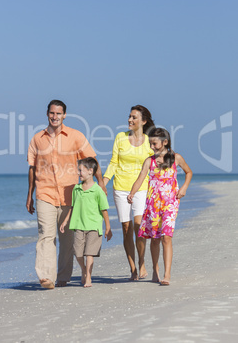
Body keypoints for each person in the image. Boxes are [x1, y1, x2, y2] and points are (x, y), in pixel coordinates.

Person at [26, 100, 106, 289]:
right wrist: (29, 194)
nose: (55, 117)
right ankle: (47, 277)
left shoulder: (75, 136)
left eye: (58, 114)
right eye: (52, 113)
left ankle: (63, 276)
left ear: (64, 116)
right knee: (45, 235)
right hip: (44, 193)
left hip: (71, 195)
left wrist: (100, 184)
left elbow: (92, 161)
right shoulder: (37, 138)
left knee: (67, 238)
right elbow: (32, 168)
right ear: (47, 114)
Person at [127, 127, 192, 286]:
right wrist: (132, 193)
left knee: (166, 237)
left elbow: (189, 172)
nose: (152, 147)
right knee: (155, 239)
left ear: (165, 142)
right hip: (153, 205)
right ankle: (155, 271)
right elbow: (140, 178)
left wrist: (183, 188)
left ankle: (167, 274)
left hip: (170, 203)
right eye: (150, 143)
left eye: (155, 143)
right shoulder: (150, 161)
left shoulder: (176, 158)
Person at [103, 105, 155, 280]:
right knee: (126, 228)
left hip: (141, 187)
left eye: (134, 117)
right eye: (129, 116)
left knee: (139, 227)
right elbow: (113, 163)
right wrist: (104, 181)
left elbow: (156, 164)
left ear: (143, 121)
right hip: (121, 187)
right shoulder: (120, 138)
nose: (130, 120)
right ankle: (132, 267)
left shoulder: (149, 141)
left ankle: (141, 263)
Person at [60, 157, 112, 288]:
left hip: (94, 226)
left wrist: (108, 228)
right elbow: (72, 207)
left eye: (80, 170)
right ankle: (84, 270)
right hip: (78, 226)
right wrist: (65, 221)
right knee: (78, 253)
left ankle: (88, 277)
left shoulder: (98, 190)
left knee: (89, 253)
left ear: (90, 171)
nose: (78, 173)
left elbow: (104, 210)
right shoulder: (76, 189)